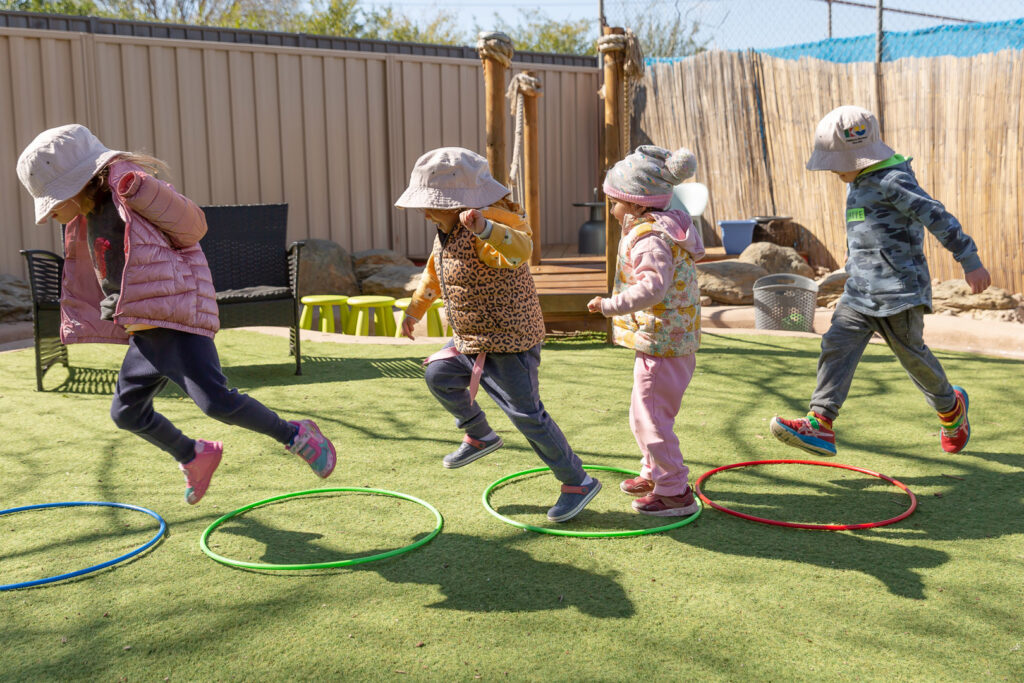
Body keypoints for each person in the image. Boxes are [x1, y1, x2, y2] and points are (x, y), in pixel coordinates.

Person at [16, 124, 336, 504]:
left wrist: (142, 189)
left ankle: (297, 435)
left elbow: (193, 226)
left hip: (174, 318)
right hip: (144, 331)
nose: (50, 214)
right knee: (126, 414)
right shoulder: (92, 211)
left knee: (216, 401)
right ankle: (194, 455)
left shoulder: (130, 188)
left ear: (80, 182)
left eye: (53, 202)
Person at [770, 105, 991, 456]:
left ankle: (951, 409)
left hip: (899, 293)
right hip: (860, 292)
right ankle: (820, 423)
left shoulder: (893, 180)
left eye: (834, 162)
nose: (830, 170)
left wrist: (968, 257)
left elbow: (935, 214)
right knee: (836, 346)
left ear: (857, 156)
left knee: (912, 357)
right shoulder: (856, 182)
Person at [395, 147, 599, 523]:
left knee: (527, 415)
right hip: (472, 338)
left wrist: (486, 229)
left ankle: (577, 481)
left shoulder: (488, 226)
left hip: (508, 342)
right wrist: (414, 310)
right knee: (439, 374)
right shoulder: (447, 231)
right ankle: (479, 435)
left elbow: (521, 250)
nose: (424, 213)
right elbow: (434, 274)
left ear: (460, 204)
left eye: (431, 205)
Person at [586, 145, 704, 516]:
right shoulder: (658, 226)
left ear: (636, 204)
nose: (611, 208)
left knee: (651, 418)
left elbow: (653, 287)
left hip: (664, 343)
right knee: (643, 413)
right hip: (664, 339)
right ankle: (655, 473)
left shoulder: (650, 238)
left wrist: (609, 306)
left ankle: (674, 490)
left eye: (615, 201)